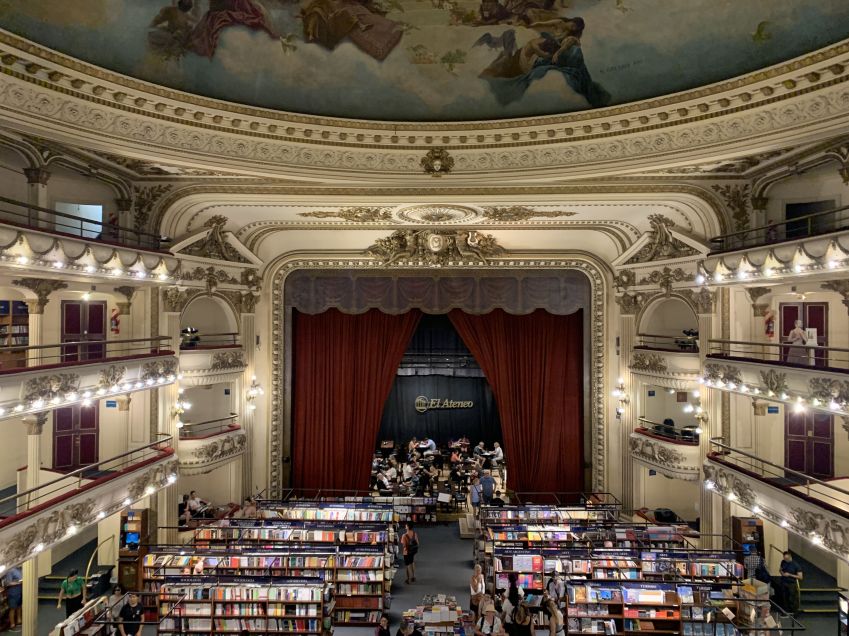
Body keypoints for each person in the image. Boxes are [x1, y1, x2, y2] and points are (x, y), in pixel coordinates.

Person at [3, 566, 22, 630]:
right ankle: (12, 624)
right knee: (12, 608)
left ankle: (19, 621)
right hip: (13, 593)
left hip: (20, 591)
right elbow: (8, 583)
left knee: (19, 606)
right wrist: (19, 582)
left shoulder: (19, 569)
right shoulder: (10, 570)